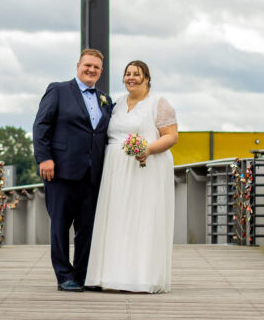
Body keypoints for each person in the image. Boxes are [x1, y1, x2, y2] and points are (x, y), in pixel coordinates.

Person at [85, 60, 179, 293]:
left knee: (142, 219)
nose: (131, 78)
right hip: (115, 171)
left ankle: (141, 276)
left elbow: (171, 136)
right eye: (127, 74)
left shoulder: (158, 103)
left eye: (137, 74)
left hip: (146, 168)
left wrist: (147, 149)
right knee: (116, 220)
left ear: (147, 78)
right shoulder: (115, 103)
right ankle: (112, 276)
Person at [32, 49, 113, 292]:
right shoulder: (58, 90)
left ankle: (82, 274)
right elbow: (41, 124)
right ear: (78, 65)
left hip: (93, 175)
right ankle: (64, 276)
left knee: (87, 228)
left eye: (96, 67)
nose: (91, 70)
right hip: (61, 172)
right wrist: (44, 158)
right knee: (60, 226)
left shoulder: (105, 99)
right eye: (88, 65)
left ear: (101, 71)